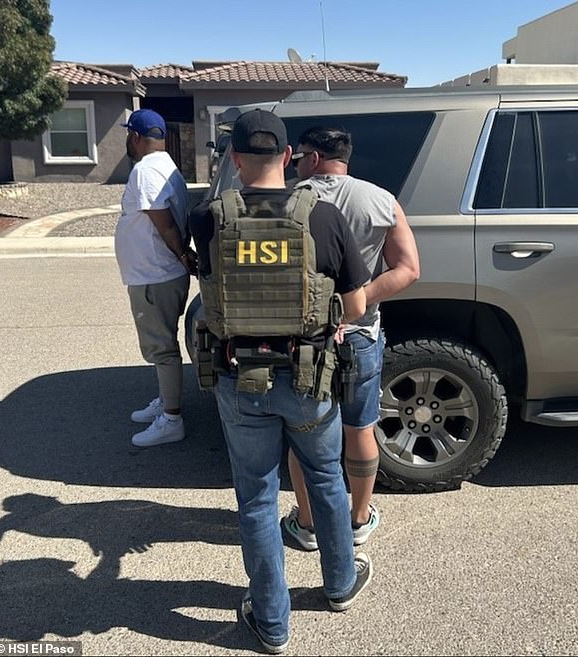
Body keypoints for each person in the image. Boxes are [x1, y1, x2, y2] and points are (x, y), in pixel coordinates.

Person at [189, 109, 373, 654]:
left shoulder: (209, 216)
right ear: (290, 157)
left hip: (238, 378)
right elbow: (358, 306)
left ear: (235, 160)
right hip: (309, 376)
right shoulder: (322, 216)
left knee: (256, 498)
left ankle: (271, 623)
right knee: (324, 478)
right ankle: (339, 586)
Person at [282, 126, 420, 550]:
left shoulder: (286, 199)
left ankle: (307, 524)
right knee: (360, 428)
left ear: (314, 158)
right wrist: (355, 302)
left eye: (301, 156)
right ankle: (359, 518)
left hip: (299, 337)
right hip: (359, 333)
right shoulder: (381, 199)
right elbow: (408, 269)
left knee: (305, 430)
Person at [115, 109, 197, 448]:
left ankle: (172, 419)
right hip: (159, 273)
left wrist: (180, 253)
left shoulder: (146, 171)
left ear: (135, 136)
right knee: (162, 344)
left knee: (161, 348)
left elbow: (162, 220)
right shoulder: (168, 167)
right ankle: (166, 401)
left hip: (155, 275)